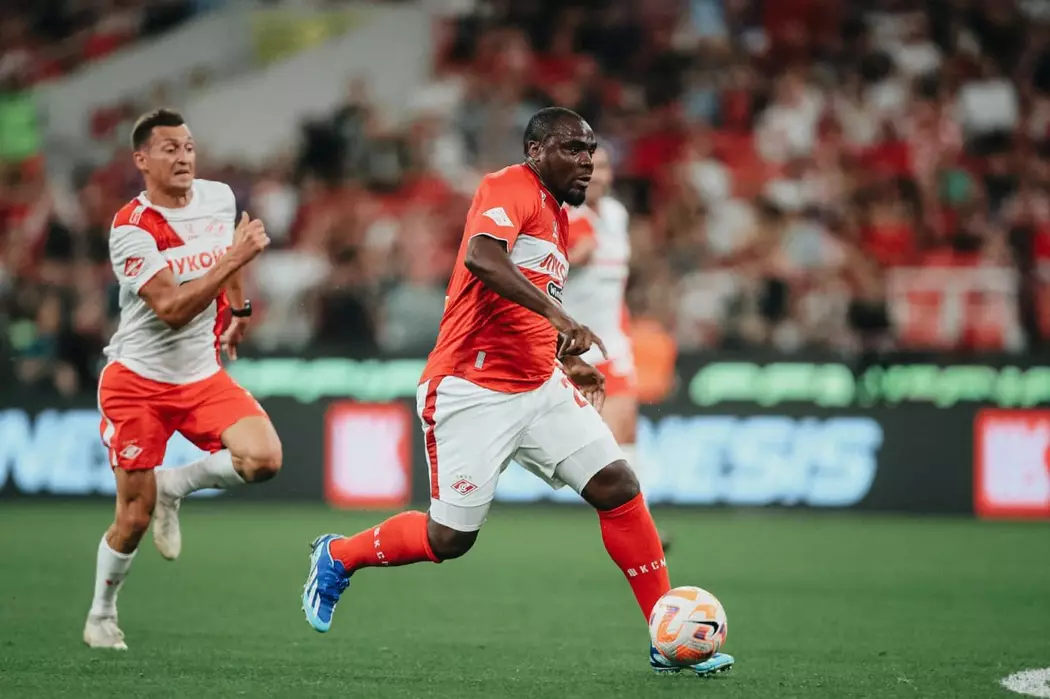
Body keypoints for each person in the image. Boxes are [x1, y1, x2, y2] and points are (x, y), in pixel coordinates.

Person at [300, 107, 733, 676]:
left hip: (538, 384)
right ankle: (338, 555)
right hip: (472, 387)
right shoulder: (510, 186)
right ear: (535, 151)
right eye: (572, 149)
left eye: (591, 150)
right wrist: (561, 318)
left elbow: (522, 306)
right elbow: (483, 257)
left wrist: (564, 358)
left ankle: (663, 636)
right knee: (450, 537)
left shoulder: (557, 215)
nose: (586, 161)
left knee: (619, 486)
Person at [84, 108, 283, 651]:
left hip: (199, 376)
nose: (183, 157)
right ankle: (101, 615)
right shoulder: (132, 228)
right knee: (133, 517)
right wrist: (235, 256)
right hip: (138, 382)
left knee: (264, 459)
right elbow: (172, 309)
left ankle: (177, 484)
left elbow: (229, 262)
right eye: (169, 149)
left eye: (189, 147)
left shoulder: (218, 198)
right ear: (142, 159)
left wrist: (238, 311)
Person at [561, 145, 672, 551]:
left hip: (610, 343)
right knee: (593, 443)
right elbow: (565, 260)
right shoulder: (564, 215)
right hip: (565, 347)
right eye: (588, 167)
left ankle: (642, 527)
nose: (597, 174)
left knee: (624, 431)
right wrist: (574, 256)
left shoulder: (616, 215)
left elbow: (614, 285)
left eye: (603, 166)